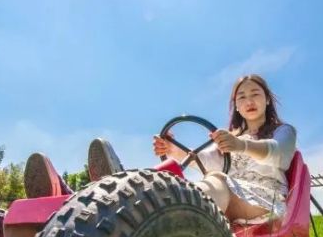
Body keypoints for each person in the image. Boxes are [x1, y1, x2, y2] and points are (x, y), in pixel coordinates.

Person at [22, 74, 296, 223]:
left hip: (265, 201)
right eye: (242, 96)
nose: (249, 100)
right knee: (174, 180)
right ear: (235, 105)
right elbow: (205, 159)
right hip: (232, 195)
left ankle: (125, 199)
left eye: (255, 94)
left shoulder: (283, 131)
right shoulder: (230, 137)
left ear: (267, 101)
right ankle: (86, 196)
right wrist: (173, 149)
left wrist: (241, 145)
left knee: (215, 182)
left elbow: (279, 155)